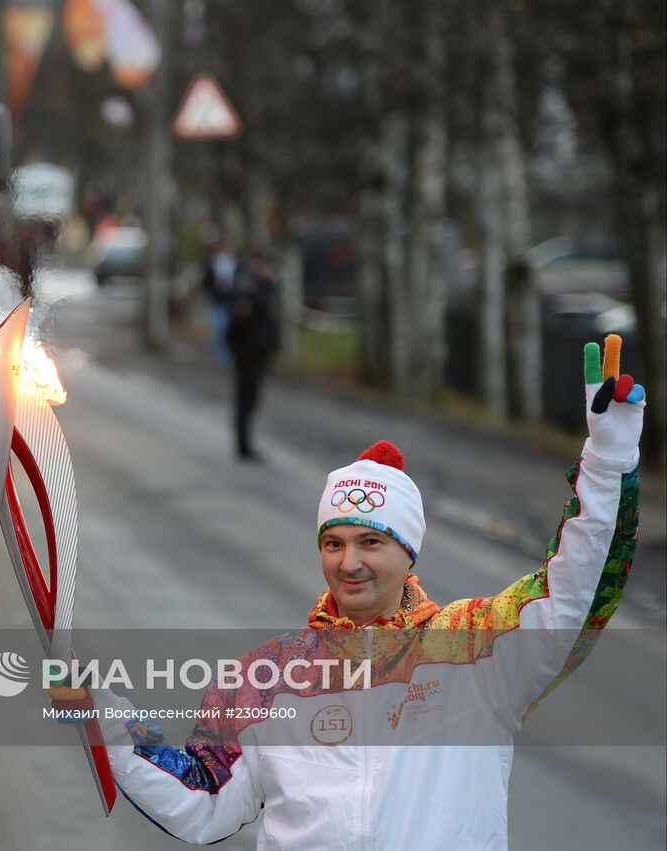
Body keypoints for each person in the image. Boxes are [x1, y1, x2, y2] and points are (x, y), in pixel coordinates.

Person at [49, 343, 645, 848]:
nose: (349, 563)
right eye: (333, 543)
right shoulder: (263, 680)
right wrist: (97, 710)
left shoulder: (475, 652)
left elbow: (575, 594)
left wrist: (608, 463)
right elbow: (201, 798)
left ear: (407, 552)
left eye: (371, 542)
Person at [223, 249, 278, 461]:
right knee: (245, 399)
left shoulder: (265, 290)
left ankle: (246, 444)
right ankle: (243, 446)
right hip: (247, 354)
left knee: (252, 399)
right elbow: (237, 323)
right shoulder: (251, 292)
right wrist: (237, 347)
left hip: (258, 354)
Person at [200, 238, 238, 366]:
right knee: (220, 329)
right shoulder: (212, 264)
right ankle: (221, 356)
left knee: (230, 329)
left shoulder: (234, 263)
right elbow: (206, 283)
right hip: (218, 302)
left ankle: (228, 354)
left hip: (231, 302)